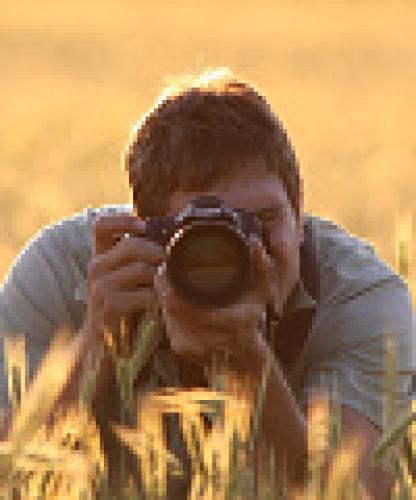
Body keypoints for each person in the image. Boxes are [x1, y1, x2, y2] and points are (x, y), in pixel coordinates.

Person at [0, 68, 414, 498]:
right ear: (151, 232)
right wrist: (96, 341)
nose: (246, 251)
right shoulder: (61, 272)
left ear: (300, 216)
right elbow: (7, 470)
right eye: (205, 235)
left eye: (263, 221)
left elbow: (352, 492)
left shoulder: (360, 298)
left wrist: (248, 363)